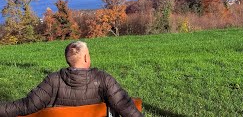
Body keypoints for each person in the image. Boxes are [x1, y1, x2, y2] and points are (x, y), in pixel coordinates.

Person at [0, 41, 143, 117]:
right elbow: (125, 107)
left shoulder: (53, 81)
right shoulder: (103, 79)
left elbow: (26, 106)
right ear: (86, 57)